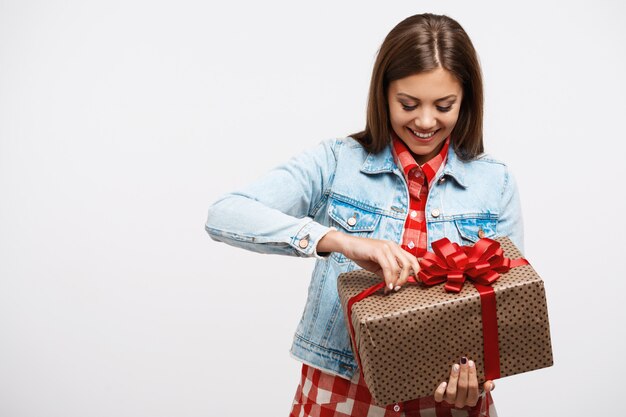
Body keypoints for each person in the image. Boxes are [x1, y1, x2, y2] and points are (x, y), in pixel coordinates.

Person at [205, 13, 522, 417]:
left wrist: (478, 380)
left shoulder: (495, 182)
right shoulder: (338, 162)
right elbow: (225, 213)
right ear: (383, 94)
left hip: (449, 402)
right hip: (343, 390)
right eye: (408, 104)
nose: (425, 122)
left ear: (467, 100)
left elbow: (506, 307)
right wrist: (338, 240)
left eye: (444, 106)